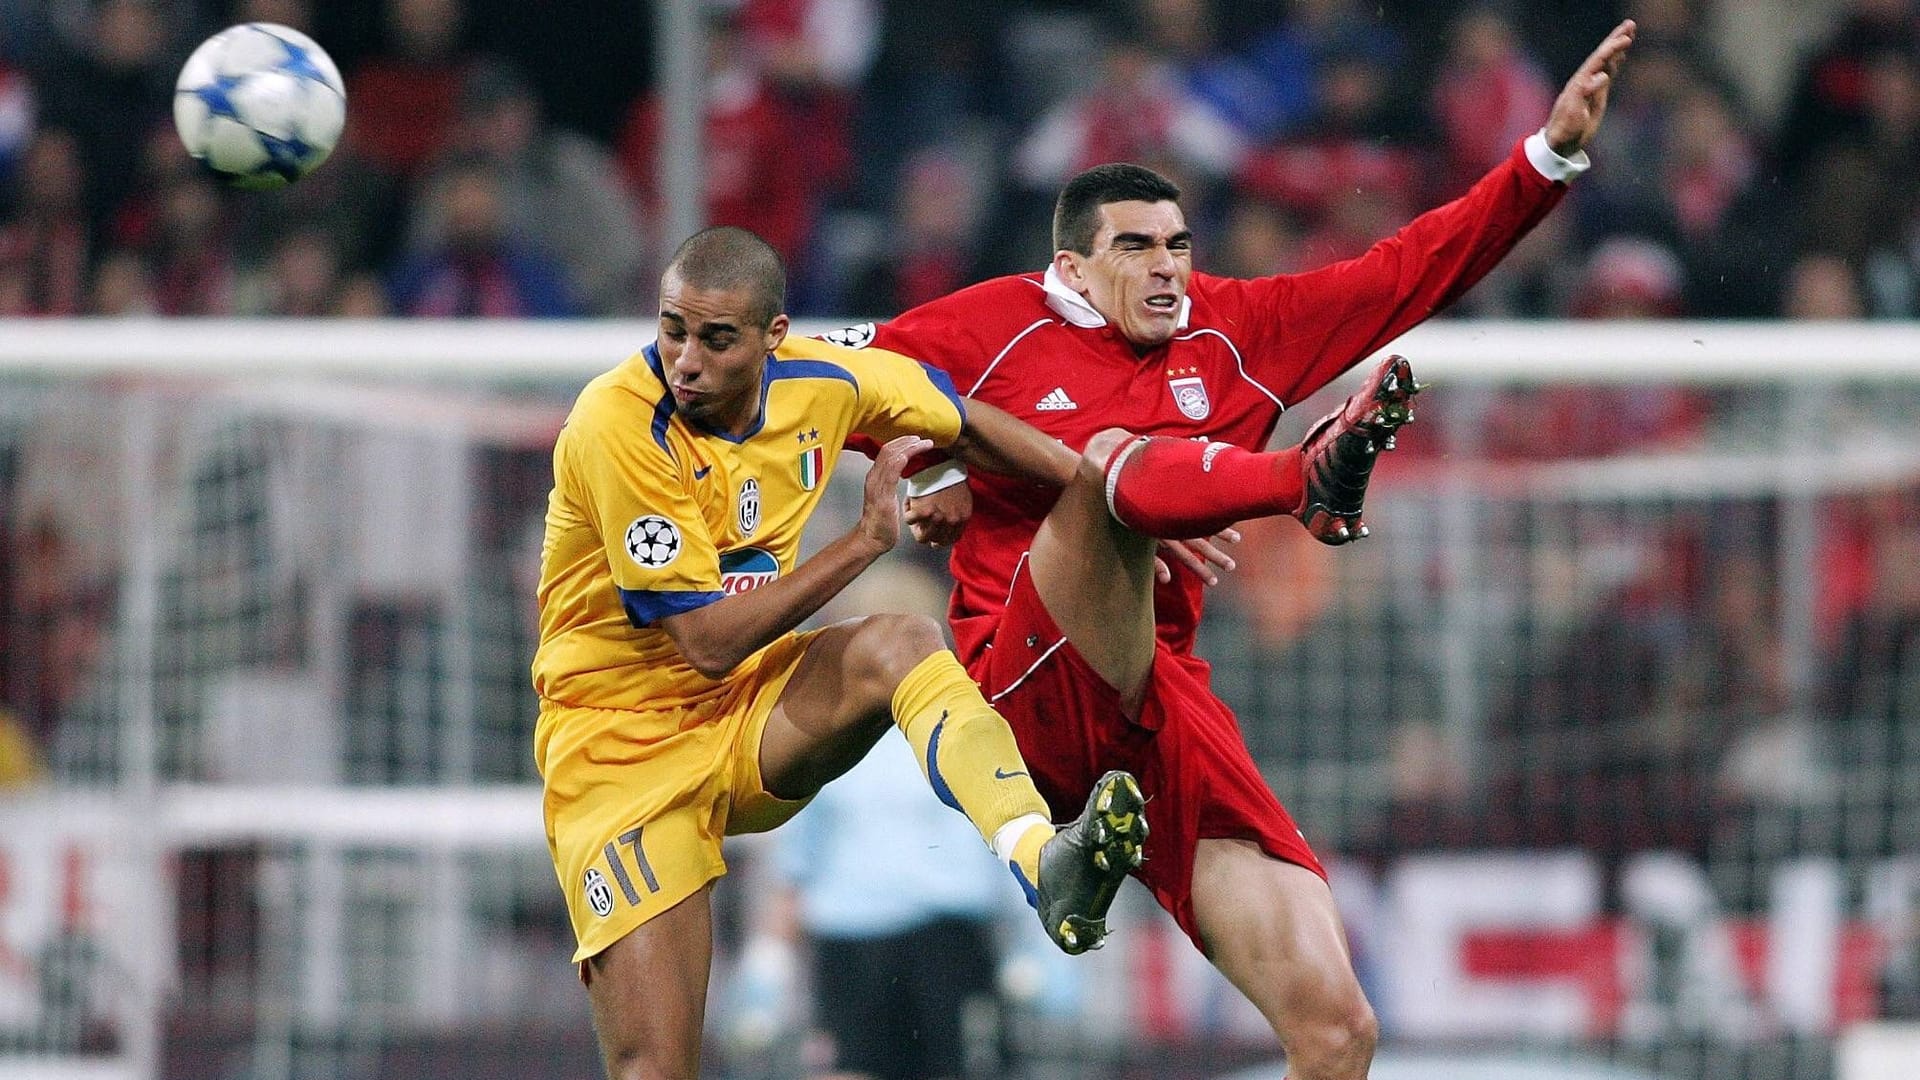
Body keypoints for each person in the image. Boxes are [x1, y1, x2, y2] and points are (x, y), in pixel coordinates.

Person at [855, 20, 1637, 1080]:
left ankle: (1293, 483)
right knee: (1110, 469)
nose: (1169, 267)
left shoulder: (1236, 334)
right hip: (1020, 690)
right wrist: (927, 468)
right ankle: (1299, 483)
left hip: (1156, 701)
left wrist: (1544, 159)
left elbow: (1405, 271)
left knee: (1335, 1029)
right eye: (1136, 247)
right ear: (1073, 269)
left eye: (1179, 243)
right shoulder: (979, 328)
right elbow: (814, 387)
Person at [531, 225, 1150, 1080]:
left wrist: (1111, 498)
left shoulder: (828, 383)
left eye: (717, 339)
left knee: (901, 641)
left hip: (745, 712)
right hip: (618, 751)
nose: (687, 361)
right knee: (657, 1067)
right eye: (673, 329)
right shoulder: (619, 423)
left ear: (773, 338)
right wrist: (862, 545)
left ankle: (1042, 857)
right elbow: (705, 641)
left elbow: (965, 423)